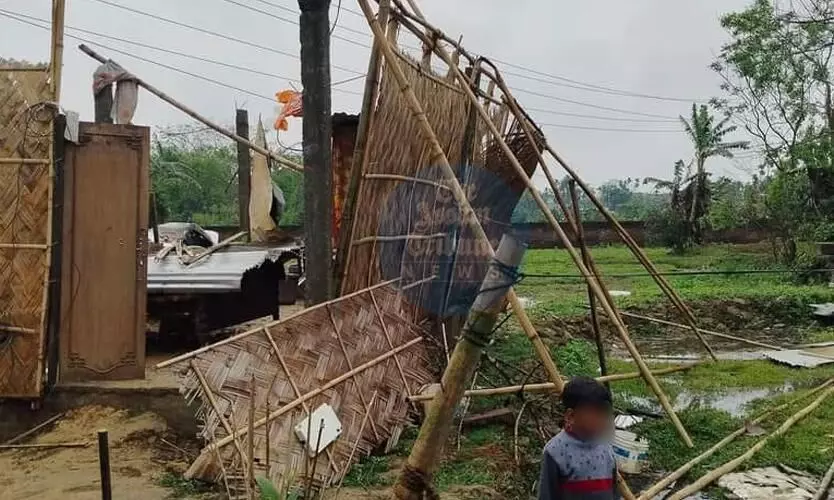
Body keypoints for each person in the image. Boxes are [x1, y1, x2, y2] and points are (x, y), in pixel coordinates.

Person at [538, 376, 619, 500]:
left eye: (603, 413)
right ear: (571, 416)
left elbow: (614, 492)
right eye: (594, 413)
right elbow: (547, 495)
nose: (601, 420)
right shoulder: (555, 452)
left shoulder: (606, 449)